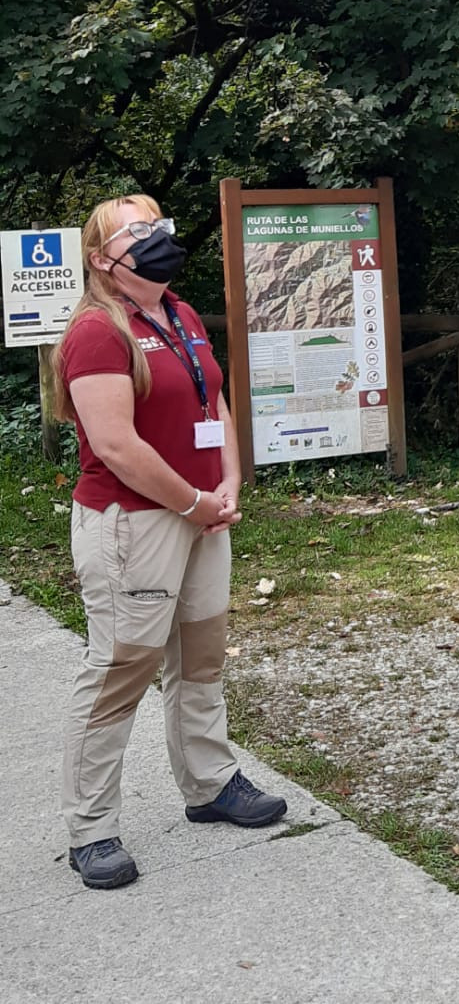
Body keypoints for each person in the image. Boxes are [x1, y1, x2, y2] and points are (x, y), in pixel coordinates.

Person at [51, 194, 286, 891]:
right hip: (136, 522)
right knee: (123, 666)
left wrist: (232, 482)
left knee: (201, 656)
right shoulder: (98, 330)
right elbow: (118, 445)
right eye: (137, 229)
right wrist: (190, 500)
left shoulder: (178, 312)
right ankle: (91, 829)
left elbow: (211, 396)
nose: (156, 236)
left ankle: (209, 783)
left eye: (159, 223)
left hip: (203, 515)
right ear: (102, 258)